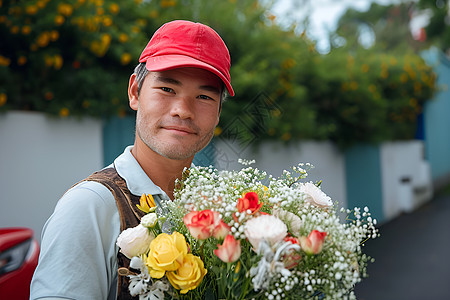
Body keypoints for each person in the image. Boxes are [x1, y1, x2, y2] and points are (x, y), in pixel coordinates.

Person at [30, 20, 234, 300]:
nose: (183, 111)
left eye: (203, 96)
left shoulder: (223, 208)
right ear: (135, 92)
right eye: (167, 89)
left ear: (219, 113)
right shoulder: (90, 207)